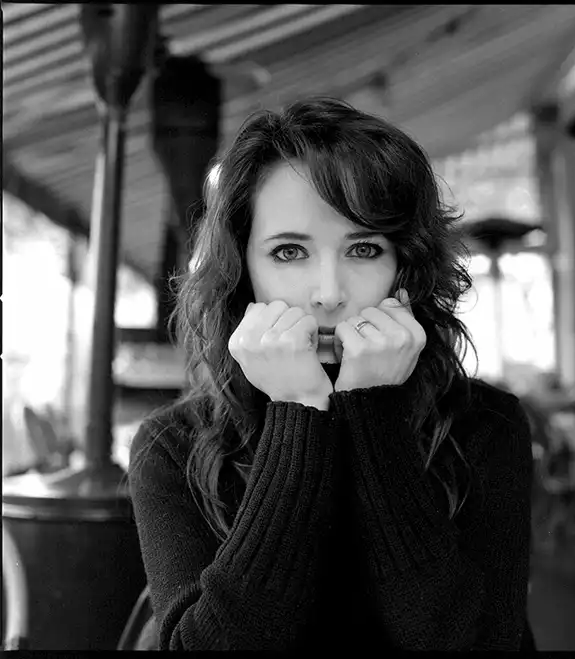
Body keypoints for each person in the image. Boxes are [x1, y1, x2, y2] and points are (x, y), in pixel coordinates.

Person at [128, 97, 535, 651]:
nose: (328, 294)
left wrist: (373, 412)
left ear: (405, 269)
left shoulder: (486, 425)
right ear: (242, 271)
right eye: (289, 252)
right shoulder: (172, 444)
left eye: (363, 249)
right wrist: (297, 410)